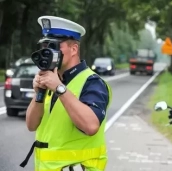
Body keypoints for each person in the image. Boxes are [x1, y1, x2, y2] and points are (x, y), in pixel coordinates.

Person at [19, 16, 112, 171]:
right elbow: (31, 125)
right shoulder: (53, 79)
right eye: (45, 45)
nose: (48, 51)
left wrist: (59, 88)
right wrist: (39, 93)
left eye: (54, 46)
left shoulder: (92, 82)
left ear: (74, 49)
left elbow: (91, 126)